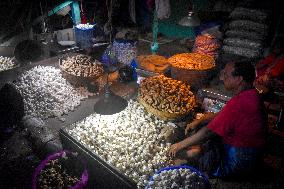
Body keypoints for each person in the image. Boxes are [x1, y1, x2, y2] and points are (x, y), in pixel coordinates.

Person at [169, 60, 267, 179]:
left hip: (240, 161)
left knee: (197, 151)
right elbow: (221, 115)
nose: (222, 78)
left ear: (239, 79)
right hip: (248, 152)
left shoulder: (240, 103)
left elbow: (208, 132)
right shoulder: (251, 94)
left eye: (226, 75)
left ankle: (197, 155)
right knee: (201, 139)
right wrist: (200, 120)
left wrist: (178, 145)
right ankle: (197, 151)